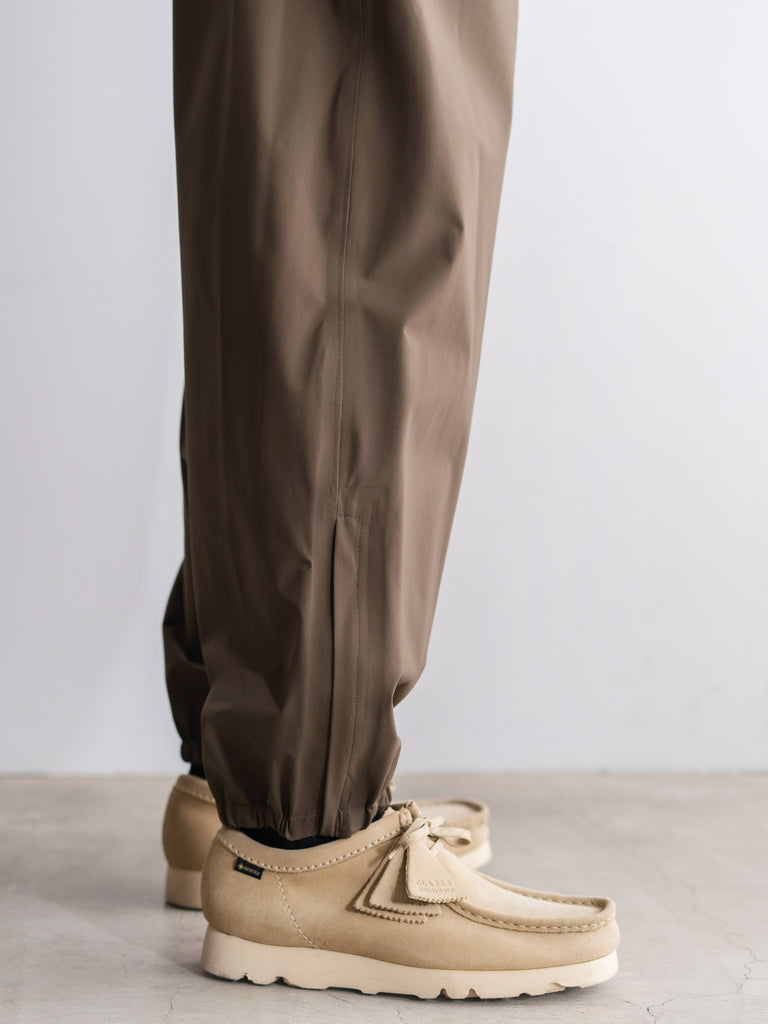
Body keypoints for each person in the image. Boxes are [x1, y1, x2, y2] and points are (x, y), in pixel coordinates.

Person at [160, 0, 619, 1000]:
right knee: (369, 139)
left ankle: (239, 778)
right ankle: (308, 839)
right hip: (303, 798)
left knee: (287, 161)